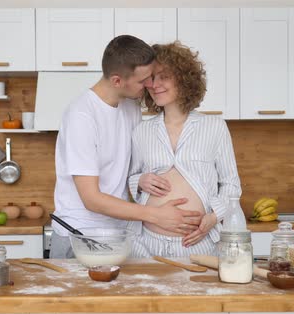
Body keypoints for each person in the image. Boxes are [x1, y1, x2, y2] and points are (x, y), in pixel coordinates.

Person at [51, 35, 203, 259]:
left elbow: (131, 169)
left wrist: (141, 179)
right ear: (116, 81)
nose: (150, 85)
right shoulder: (81, 116)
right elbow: (91, 198)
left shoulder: (130, 106)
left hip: (117, 233)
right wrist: (155, 215)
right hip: (81, 236)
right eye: (144, 81)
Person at [128, 41, 242, 257]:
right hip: (145, 245)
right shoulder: (141, 131)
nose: (155, 84)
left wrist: (213, 217)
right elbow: (131, 179)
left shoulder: (215, 127)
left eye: (164, 76)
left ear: (183, 78)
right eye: (151, 78)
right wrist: (140, 181)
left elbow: (231, 184)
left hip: (199, 246)